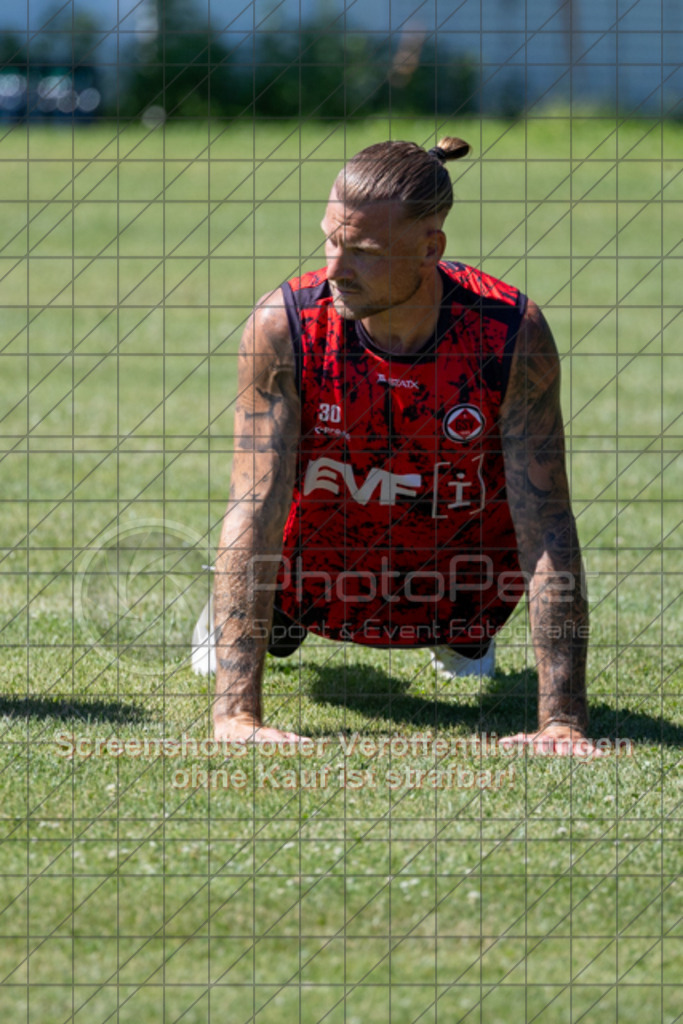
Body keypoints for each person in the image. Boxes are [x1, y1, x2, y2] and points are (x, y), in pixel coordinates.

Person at [206, 136, 599, 755]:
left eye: (363, 253)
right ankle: (264, 616)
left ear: (430, 249)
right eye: (331, 242)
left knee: (466, 622)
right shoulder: (284, 328)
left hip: (459, 574)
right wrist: (235, 713)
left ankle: (463, 631)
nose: (334, 269)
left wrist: (563, 722)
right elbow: (252, 510)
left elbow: (548, 523)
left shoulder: (508, 334)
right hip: (313, 572)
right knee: (271, 604)